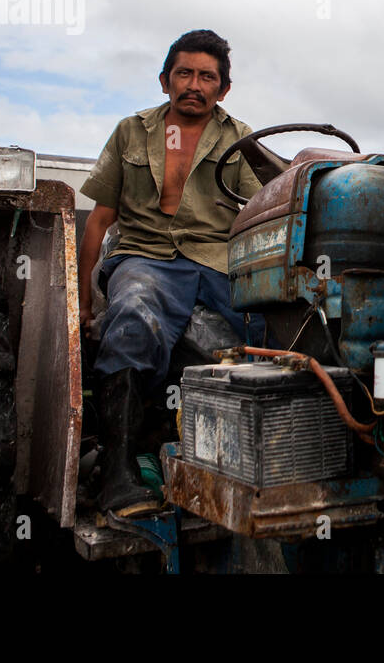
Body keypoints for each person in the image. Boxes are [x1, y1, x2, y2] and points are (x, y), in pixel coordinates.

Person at [77, 29, 263, 517]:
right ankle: (117, 473)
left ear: (223, 89)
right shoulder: (131, 131)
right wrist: (81, 304)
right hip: (146, 257)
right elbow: (99, 218)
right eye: (184, 73)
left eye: (207, 76)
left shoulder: (241, 137)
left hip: (215, 259)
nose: (194, 84)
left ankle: (268, 460)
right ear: (165, 80)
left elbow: (261, 206)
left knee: (274, 331)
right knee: (134, 315)